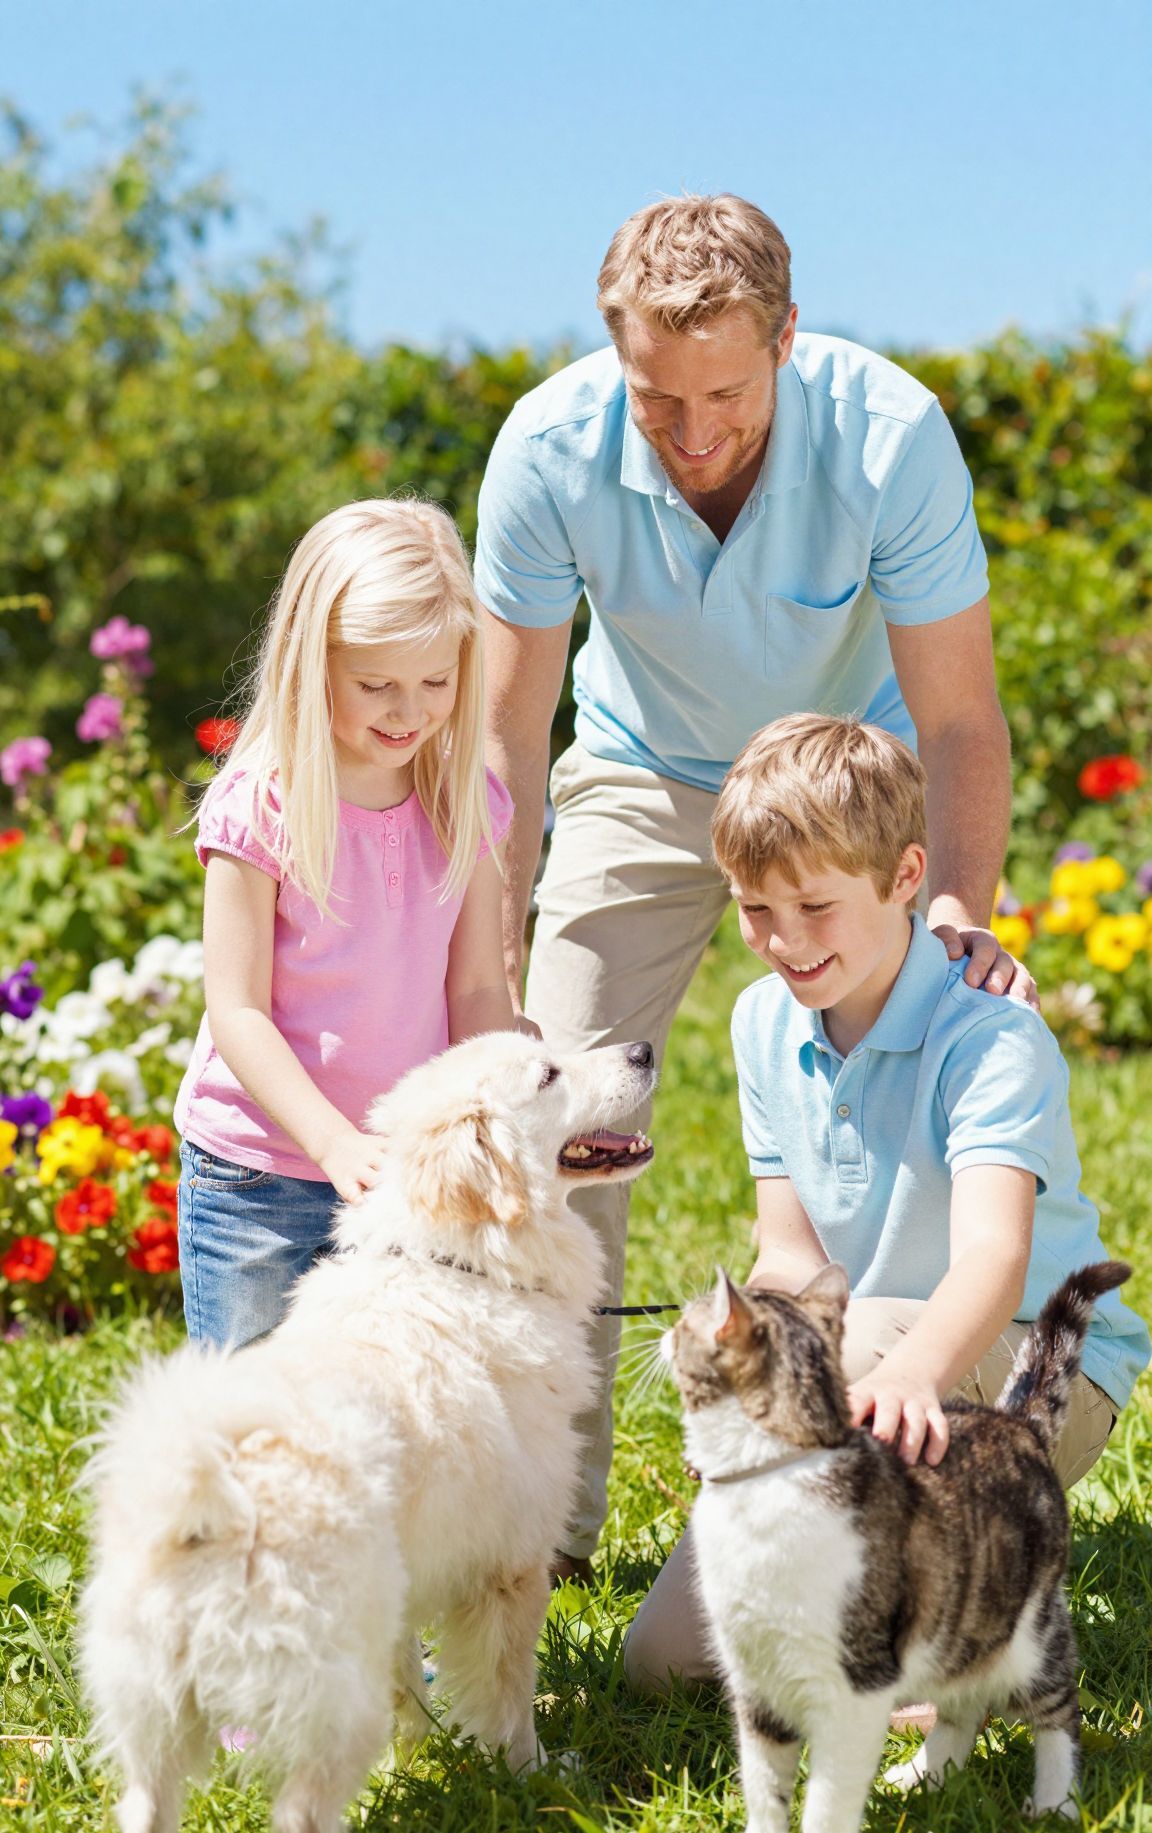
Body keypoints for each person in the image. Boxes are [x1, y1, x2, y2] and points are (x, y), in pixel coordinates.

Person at [478, 191, 1031, 1574]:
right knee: (552, 1102)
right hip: (640, 769)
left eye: (724, 393)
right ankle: (545, 1532)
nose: (692, 432)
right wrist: (488, 958)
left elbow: (960, 719)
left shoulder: (890, 435)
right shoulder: (548, 449)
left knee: (904, 1107)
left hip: (847, 775)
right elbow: (505, 737)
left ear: (787, 338)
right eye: (657, 398)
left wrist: (956, 909)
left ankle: (897, 1457)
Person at [623, 715, 1149, 1691]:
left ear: (907, 876)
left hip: (1030, 1364)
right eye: (754, 907)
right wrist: (749, 1382)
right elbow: (790, 1258)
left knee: (857, 1361)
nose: (782, 939)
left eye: (815, 905)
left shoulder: (990, 1036)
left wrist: (907, 1374)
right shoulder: (761, 1020)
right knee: (665, 1660)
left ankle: (943, 1658)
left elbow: (993, 1259)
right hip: (862, 1358)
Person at [175, 498, 514, 1349]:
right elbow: (237, 1010)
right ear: (311, 661)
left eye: (436, 683)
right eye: (376, 685)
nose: (409, 711)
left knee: (394, 1395)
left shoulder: (464, 802)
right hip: (260, 1180)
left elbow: (477, 985)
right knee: (252, 1405)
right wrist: (330, 1143)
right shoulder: (261, 805)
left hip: (406, 1173)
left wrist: (504, 1092)